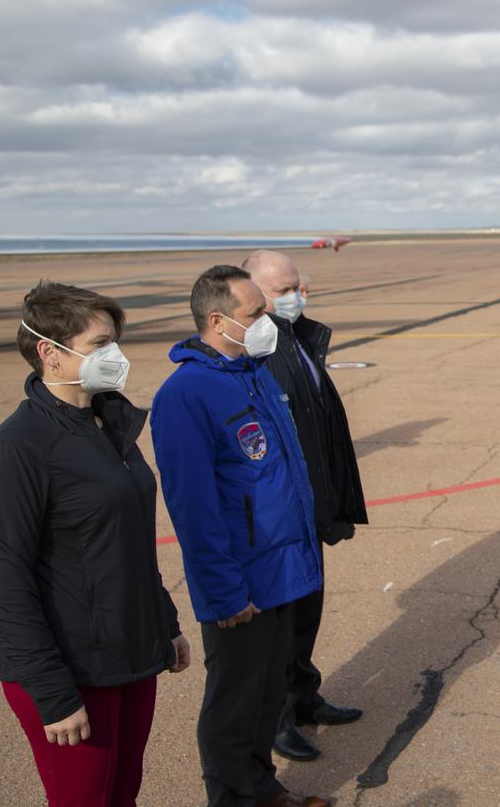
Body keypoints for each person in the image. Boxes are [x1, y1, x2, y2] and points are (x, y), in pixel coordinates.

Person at [0, 280, 191, 807]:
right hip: (69, 668)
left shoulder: (107, 425)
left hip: (130, 652)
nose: (114, 354)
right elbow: (4, 584)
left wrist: (164, 623)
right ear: (50, 353)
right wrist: (51, 692)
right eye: (99, 344)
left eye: (114, 340)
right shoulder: (16, 449)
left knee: (123, 793)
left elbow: (127, 542)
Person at [151, 265, 329, 807]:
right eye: (255, 313)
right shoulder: (187, 394)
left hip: (280, 570)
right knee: (234, 702)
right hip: (241, 582)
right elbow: (195, 508)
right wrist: (224, 590)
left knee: (267, 692)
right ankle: (233, 797)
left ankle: (262, 787)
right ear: (217, 320)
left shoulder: (252, 372)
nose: (267, 319)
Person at [241, 250, 368, 763]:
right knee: (280, 621)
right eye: (283, 290)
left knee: (307, 610)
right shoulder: (256, 352)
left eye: (299, 285)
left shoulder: (298, 338)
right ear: (251, 296)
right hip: (277, 516)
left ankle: (304, 697)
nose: (297, 297)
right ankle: (276, 719)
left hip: (310, 505)